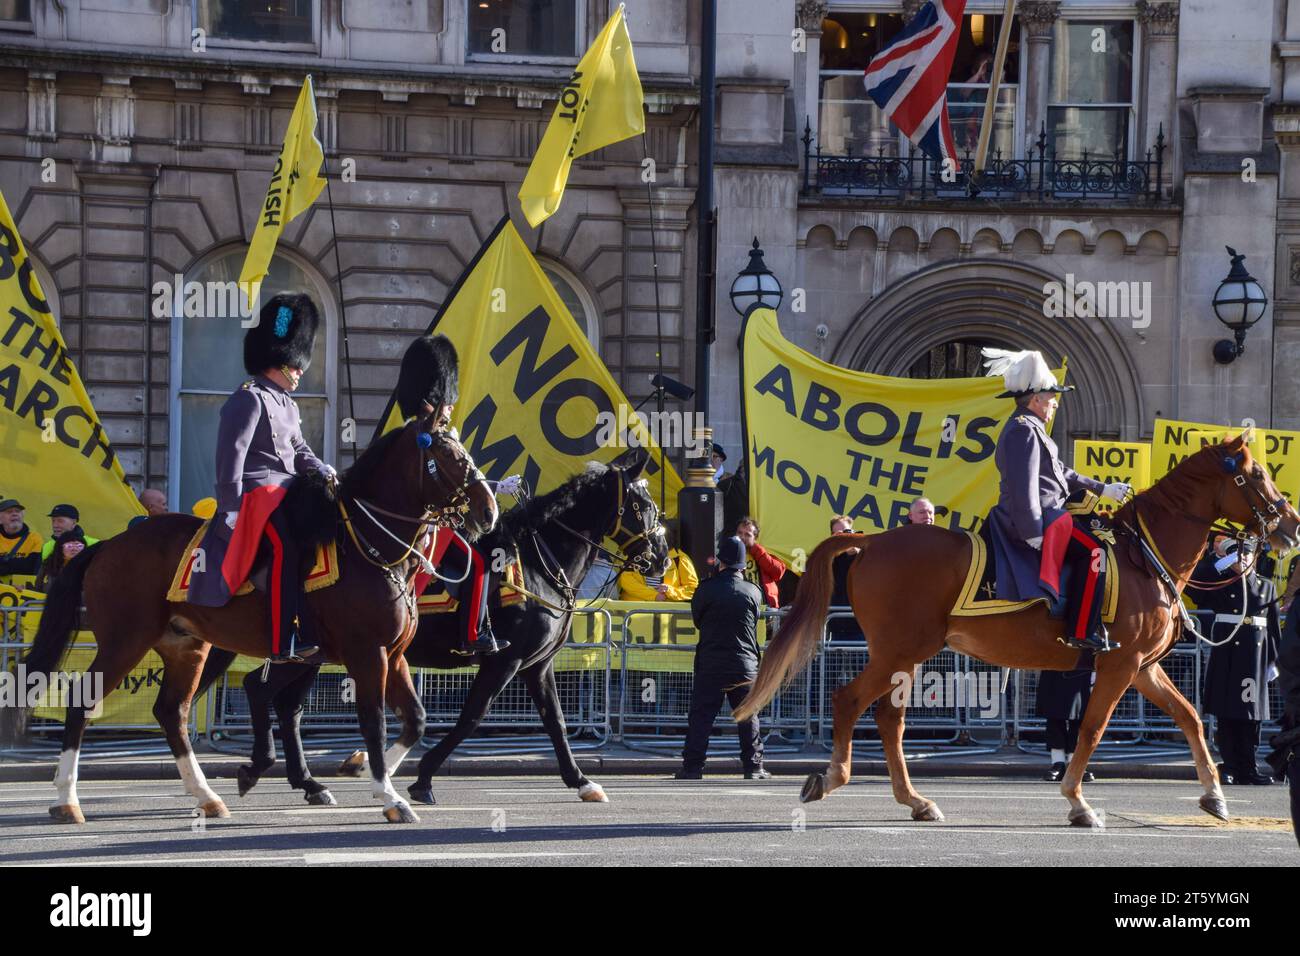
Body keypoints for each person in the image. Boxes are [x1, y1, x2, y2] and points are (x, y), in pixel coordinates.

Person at [188, 293, 334, 663]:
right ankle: (283, 636)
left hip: (285, 491)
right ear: (282, 359)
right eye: (297, 365)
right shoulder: (249, 398)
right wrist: (230, 505)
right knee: (285, 547)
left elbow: (299, 449)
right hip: (257, 494)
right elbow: (231, 454)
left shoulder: (288, 404)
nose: (301, 371)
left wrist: (322, 469)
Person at [982, 348, 1130, 653]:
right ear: (1036, 400)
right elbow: (1024, 489)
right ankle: (1081, 629)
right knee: (1094, 550)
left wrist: (1103, 489)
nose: (1055, 403)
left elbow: (1061, 472)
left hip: (1047, 514)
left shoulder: (1032, 429)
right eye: (1051, 398)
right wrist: (1033, 531)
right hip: (1033, 519)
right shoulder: (1023, 431)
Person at [395, 334, 511, 656]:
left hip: (441, 517)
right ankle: (471, 634)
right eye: (447, 400)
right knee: (476, 564)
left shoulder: (441, 436)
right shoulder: (421, 435)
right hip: (429, 521)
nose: (451, 406)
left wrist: (495, 487)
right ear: (431, 398)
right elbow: (435, 478)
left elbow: (464, 476)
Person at [1186, 534, 1280, 785]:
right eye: (1237, 557)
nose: (1243, 560)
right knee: (1227, 713)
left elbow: (1273, 626)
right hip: (1229, 652)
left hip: (1254, 655)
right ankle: (1229, 766)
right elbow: (1193, 583)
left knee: (1252, 715)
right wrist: (1217, 564)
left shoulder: (1266, 585)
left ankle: (1248, 767)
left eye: (1246, 555)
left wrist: (1274, 660)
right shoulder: (1220, 583)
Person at [675, 535, 768, 780]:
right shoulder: (753, 591)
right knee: (748, 716)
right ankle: (754, 767)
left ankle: (692, 767)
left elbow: (697, 620)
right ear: (742, 564)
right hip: (744, 663)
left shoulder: (706, 589)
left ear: (721, 561)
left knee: (702, 716)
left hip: (711, 663)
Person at [1037, 669, 1096, 782]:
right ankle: (1057, 762)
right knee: (1054, 715)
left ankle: (1075, 763)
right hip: (1055, 665)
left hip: (1080, 666)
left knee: (1079, 718)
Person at [618, 521, 697, 602]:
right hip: (633, 611)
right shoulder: (634, 554)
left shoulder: (680, 558)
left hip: (667, 612)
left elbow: (692, 588)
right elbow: (625, 581)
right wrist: (654, 595)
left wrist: (670, 591)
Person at [827, 515, 863, 642]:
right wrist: (832, 549)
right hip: (836, 626)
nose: (843, 537)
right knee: (834, 661)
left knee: (861, 661)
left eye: (846, 532)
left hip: (861, 626)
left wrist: (856, 554)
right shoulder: (828, 556)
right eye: (839, 534)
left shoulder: (863, 554)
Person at [736, 516, 785, 609]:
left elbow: (778, 573)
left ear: (755, 538)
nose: (742, 537)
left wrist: (755, 549)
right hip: (741, 609)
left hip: (765, 609)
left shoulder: (764, 551)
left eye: (747, 535)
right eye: (739, 533)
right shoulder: (730, 553)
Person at [0, 498, 43, 584]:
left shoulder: (35, 538)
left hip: (23, 591)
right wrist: (19, 563)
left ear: (23, 515)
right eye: (9, 512)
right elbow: (24, 566)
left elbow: (32, 567)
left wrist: (4, 565)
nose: (15, 514)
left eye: (18, 511)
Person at [34, 527, 86, 593]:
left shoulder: (91, 566)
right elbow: (37, 589)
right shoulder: (49, 565)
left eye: (79, 546)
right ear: (60, 548)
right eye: (69, 546)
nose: (74, 549)